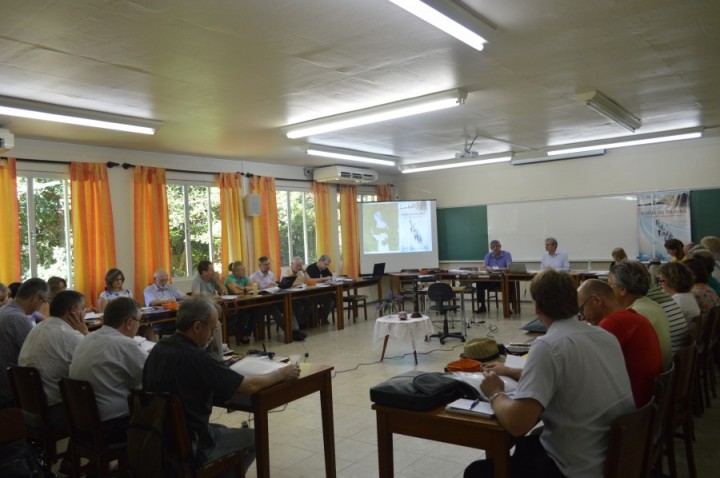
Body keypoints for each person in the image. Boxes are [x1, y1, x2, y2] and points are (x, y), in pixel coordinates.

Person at [465, 270, 634, 477]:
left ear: (536, 307)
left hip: (576, 468)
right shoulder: (605, 336)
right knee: (529, 445)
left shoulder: (547, 345)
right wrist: (512, 372)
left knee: (476, 472)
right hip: (613, 457)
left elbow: (517, 424)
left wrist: (495, 393)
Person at [142, 295, 300, 474]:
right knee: (254, 437)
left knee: (223, 429)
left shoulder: (158, 348)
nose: (212, 334)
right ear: (197, 327)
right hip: (192, 442)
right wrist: (281, 373)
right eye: (212, 329)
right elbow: (247, 386)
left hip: (158, 437)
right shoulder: (197, 358)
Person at [69, 297, 148, 442]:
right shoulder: (125, 345)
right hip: (111, 425)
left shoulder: (87, 338)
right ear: (129, 322)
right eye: (139, 321)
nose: (139, 325)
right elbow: (150, 378)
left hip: (81, 420)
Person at [577, 279, 663, 407]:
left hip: (631, 411)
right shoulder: (634, 316)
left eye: (582, 309)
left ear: (596, 300)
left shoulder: (613, 323)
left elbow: (588, 370)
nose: (583, 317)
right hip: (648, 405)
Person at [18, 290, 89, 427]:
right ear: (74, 310)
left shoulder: (37, 328)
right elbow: (94, 364)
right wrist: (85, 333)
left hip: (29, 407)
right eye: (83, 308)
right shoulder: (70, 336)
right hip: (54, 410)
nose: (84, 313)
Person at [609, 261, 672, 369]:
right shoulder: (653, 305)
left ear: (623, 290)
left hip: (652, 379)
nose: (608, 290)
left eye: (610, 285)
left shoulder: (635, 314)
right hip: (663, 376)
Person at [0, 278, 49, 408]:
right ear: (35, 298)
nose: (41, 306)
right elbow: (38, 356)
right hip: (11, 392)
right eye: (43, 301)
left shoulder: (4, 311)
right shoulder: (17, 318)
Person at [249, 257, 305, 341]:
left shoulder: (271, 274)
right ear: (259, 265)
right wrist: (263, 288)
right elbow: (253, 291)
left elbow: (274, 285)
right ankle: (291, 332)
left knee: (289, 306)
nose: (268, 266)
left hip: (274, 297)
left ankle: (295, 329)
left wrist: (276, 286)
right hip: (263, 302)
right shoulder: (253, 277)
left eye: (269, 264)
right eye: (265, 264)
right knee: (275, 311)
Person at [223, 262, 258, 344]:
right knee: (243, 313)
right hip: (231, 305)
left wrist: (243, 288)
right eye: (242, 270)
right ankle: (240, 336)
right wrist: (245, 289)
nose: (244, 271)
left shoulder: (244, 277)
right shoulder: (230, 279)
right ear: (235, 271)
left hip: (243, 302)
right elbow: (236, 292)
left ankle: (246, 334)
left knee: (257, 310)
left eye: (244, 269)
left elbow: (254, 287)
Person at [475, 240, 512, 314]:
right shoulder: (488, 255)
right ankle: (482, 306)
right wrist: (486, 268)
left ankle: (508, 307)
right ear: (491, 248)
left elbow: (509, 267)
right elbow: (482, 267)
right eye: (493, 247)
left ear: (500, 246)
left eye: (497, 246)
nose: (495, 248)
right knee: (479, 283)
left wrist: (499, 269)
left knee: (510, 284)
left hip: (502, 278)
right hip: (491, 278)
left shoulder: (506, 254)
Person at [280, 256, 312, 328]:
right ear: (291, 264)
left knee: (309, 304)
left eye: (300, 265)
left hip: (300, 294)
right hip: (289, 296)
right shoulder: (286, 271)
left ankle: (301, 322)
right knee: (298, 306)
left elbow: (309, 281)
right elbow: (285, 285)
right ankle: (298, 325)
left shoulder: (301, 272)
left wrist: (304, 271)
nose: (299, 267)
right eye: (297, 265)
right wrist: (299, 283)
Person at [305, 255, 335, 324]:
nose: (326, 266)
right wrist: (323, 279)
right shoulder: (311, 268)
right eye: (325, 264)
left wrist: (330, 278)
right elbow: (309, 281)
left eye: (327, 265)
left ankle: (320, 315)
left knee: (337, 298)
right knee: (329, 301)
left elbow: (330, 277)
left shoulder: (325, 269)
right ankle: (321, 317)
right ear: (320, 261)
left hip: (324, 291)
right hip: (313, 293)